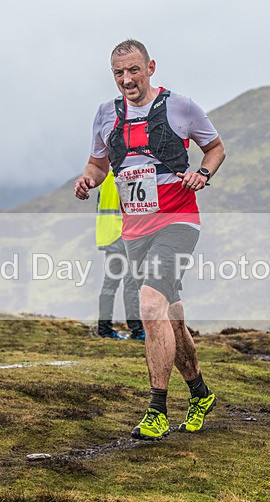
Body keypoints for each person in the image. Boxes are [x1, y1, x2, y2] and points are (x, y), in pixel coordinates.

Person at [74, 39, 226, 440]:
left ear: (150, 67)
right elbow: (98, 162)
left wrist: (203, 174)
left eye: (134, 71)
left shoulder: (181, 106)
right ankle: (200, 393)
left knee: (148, 303)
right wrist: (89, 178)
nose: (127, 80)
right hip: (134, 230)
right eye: (119, 74)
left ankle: (156, 409)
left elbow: (214, 148)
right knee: (171, 318)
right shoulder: (106, 115)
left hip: (178, 220)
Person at [96, 170, 145, 340]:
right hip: (125, 236)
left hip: (109, 237)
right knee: (131, 285)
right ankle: (137, 330)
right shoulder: (125, 175)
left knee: (109, 285)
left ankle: (104, 328)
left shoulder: (104, 178)